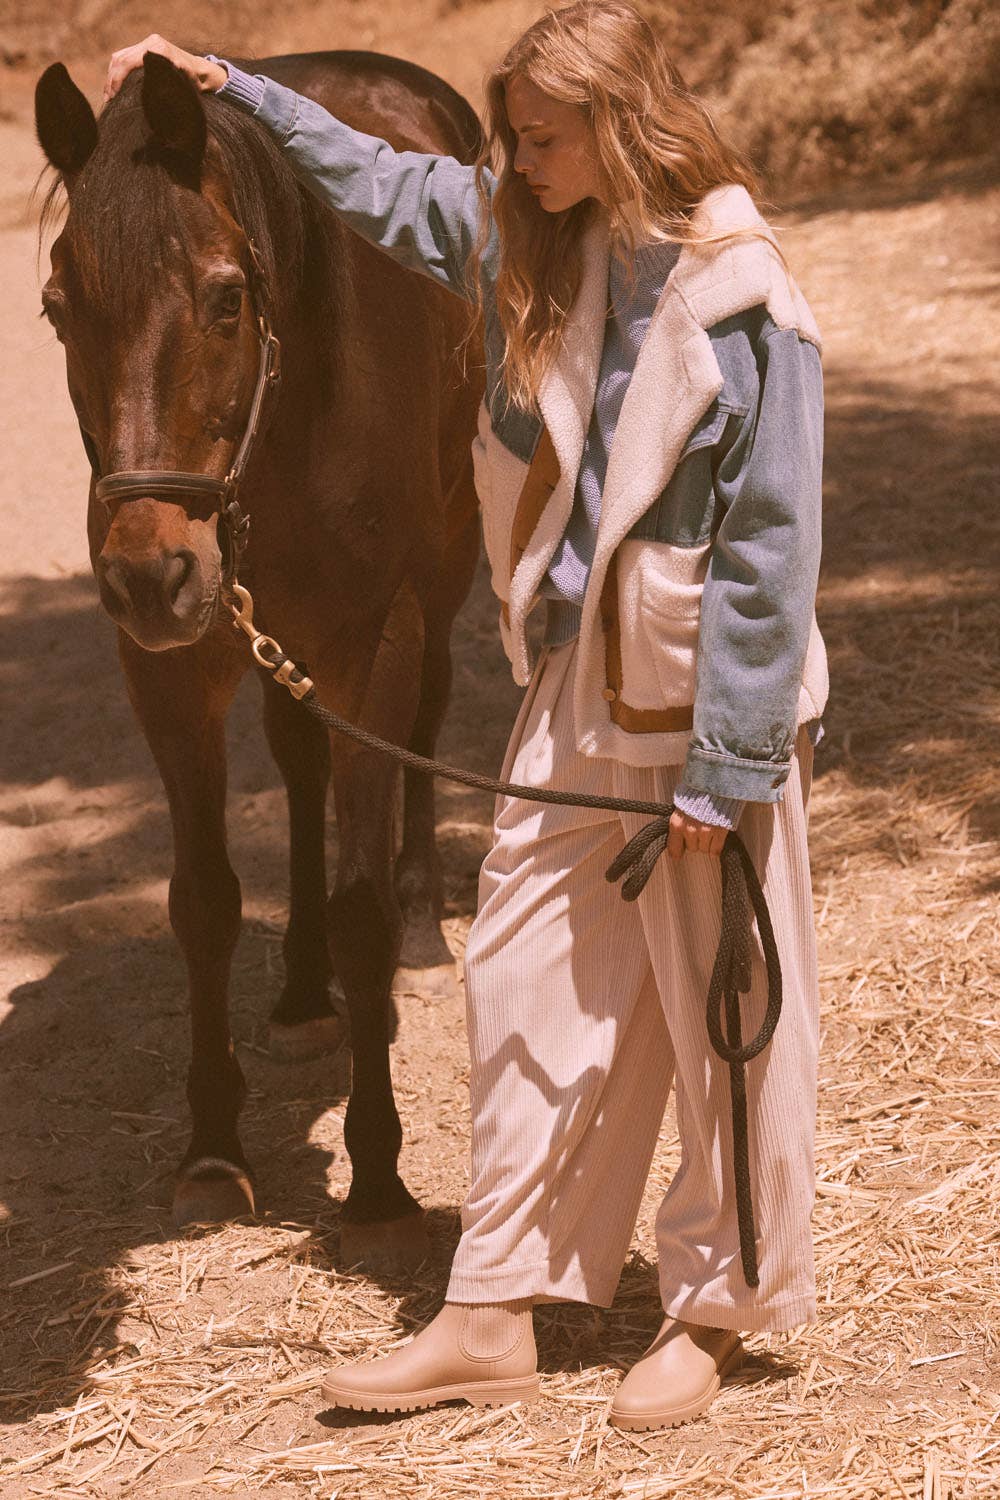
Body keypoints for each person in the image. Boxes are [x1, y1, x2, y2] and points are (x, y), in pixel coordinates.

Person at [105, 0, 829, 1431]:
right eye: (511, 136)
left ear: (617, 131)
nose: (516, 159)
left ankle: (717, 1305)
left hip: (701, 706)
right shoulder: (536, 238)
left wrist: (728, 763)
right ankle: (497, 1302)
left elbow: (772, 545)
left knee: (721, 1013)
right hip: (575, 684)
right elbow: (375, 182)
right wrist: (229, 81)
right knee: (518, 970)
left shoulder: (746, 299)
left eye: (542, 138)